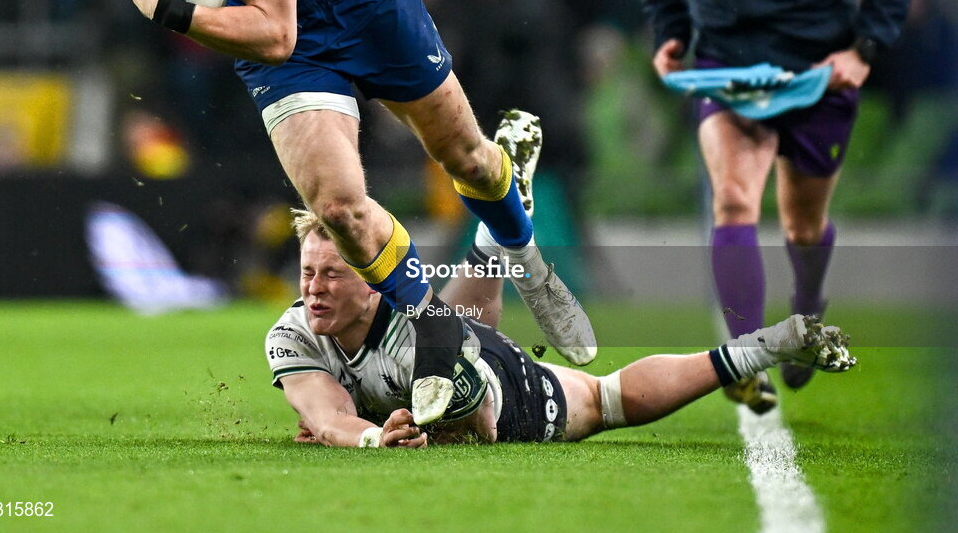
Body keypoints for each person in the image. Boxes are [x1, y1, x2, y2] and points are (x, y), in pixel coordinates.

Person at [35, 0, 596, 425]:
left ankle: (524, 253)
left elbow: (274, 31)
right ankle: (440, 338)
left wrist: (171, 11)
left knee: (467, 160)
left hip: (359, 2)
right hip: (292, 43)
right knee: (337, 205)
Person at [631, 0, 918, 413]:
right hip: (727, 74)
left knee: (802, 228)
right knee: (733, 198)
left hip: (814, 80)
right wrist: (672, 32)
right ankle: (743, 360)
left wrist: (864, 51)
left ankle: (808, 308)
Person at [269, 207, 855, 448]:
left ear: (373, 279)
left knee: (604, 399)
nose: (313, 289)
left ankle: (765, 346)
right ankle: (500, 223)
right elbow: (325, 414)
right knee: (459, 325)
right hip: (460, 340)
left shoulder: (410, 325)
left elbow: (483, 423)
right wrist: (369, 435)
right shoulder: (292, 332)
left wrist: (401, 429)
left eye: (332, 276)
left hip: (506, 393)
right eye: (307, 273)